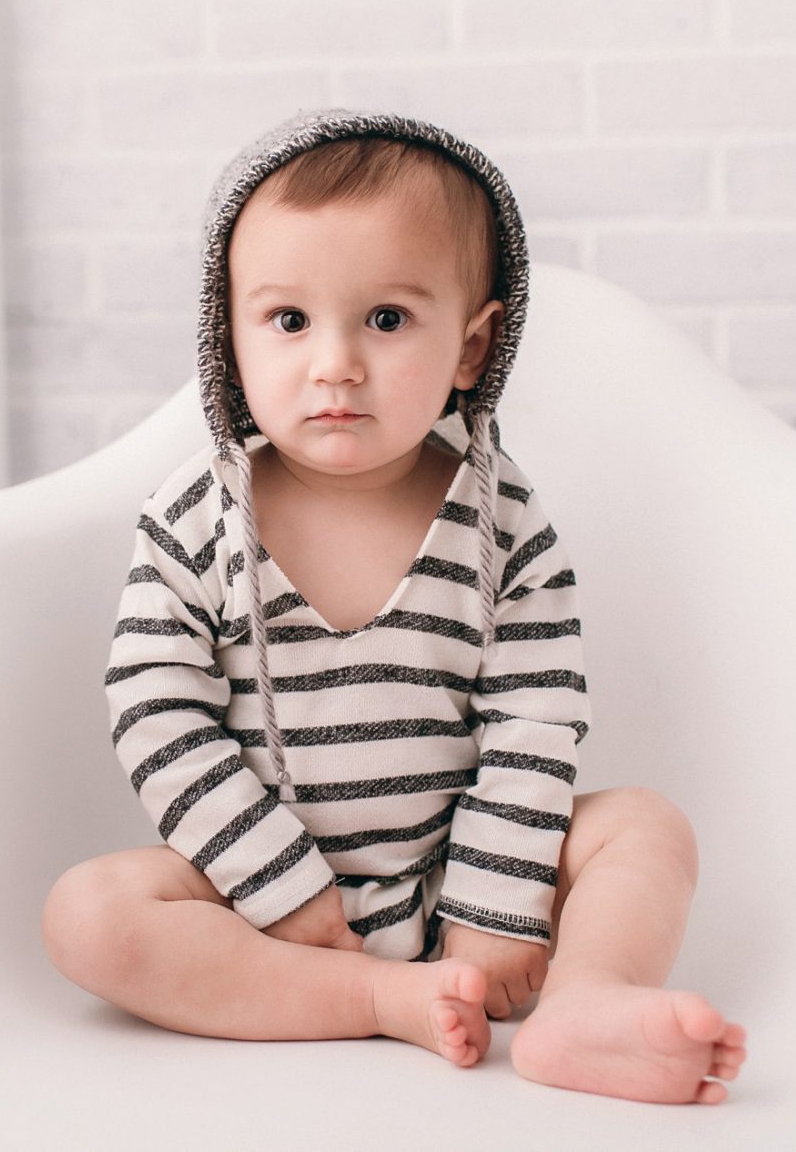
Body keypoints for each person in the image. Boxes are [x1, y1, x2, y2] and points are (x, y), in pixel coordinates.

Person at [41, 107, 748, 1105]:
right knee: (89, 913)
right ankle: (369, 997)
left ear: (471, 347)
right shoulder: (195, 517)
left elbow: (534, 716)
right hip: (261, 901)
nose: (335, 363)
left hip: (455, 879)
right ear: (228, 336)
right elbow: (158, 712)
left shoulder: (500, 521)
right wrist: (276, 885)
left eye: (385, 320)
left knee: (644, 827)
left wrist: (496, 903)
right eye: (289, 321)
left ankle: (587, 998)